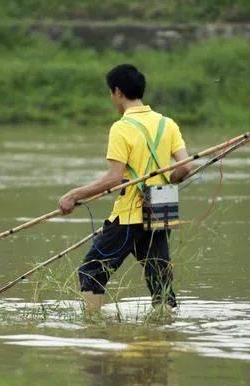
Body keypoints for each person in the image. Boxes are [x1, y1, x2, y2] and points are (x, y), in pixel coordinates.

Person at [58, 64, 192, 312]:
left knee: (92, 271)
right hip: (162, 207)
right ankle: (165, 333)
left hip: (130, 212)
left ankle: (93, 329)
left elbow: (113, 179)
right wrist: (161, 182)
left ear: (117, 91)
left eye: (111, 93)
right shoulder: (168, 124)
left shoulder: (121, 127)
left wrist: (73, 195)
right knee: (160, 279)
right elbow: (185, 168)